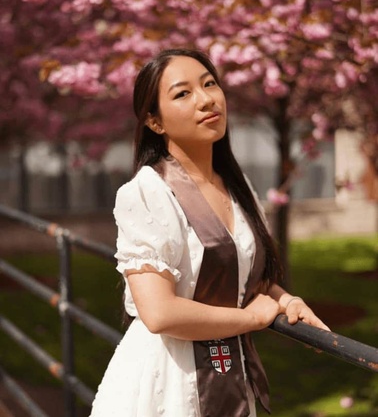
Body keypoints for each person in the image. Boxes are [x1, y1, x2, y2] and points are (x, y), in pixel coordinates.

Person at [89, 48, 329, 417]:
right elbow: (160, 313)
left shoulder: (238, 187)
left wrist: (286, 301)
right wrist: (251, 319)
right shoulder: (147, 193)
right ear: (155, 122)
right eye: (183, 93)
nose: (206, 99)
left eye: (209, 84)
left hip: (230, 372)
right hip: (167, 383)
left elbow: (241, 276)